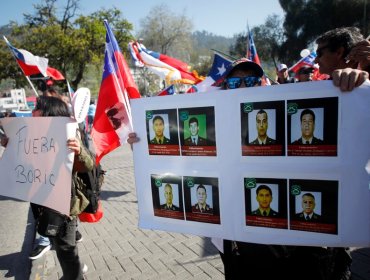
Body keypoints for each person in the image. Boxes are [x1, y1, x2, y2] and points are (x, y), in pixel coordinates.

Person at [30, 96, 91, 278]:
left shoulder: (69, 135)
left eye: (37, 108)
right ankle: (74, 271)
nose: (33, 112)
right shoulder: (33, 135)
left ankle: (74, 275)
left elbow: (88, 165)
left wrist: (79, 151)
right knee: (60, 245)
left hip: (64, 206)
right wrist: (11, 147)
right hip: (43, 203)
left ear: (49, 112)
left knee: (65, 248)